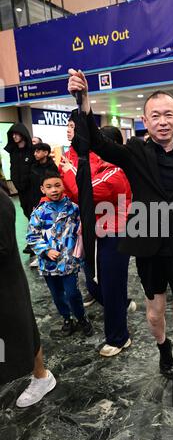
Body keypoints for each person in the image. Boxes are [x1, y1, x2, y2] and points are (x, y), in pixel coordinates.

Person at [68, 69, 173, 412]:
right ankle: (163, 348)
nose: (162, 121)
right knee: (154, 316)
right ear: (145, 120)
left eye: (168, 115)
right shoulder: (134, 150)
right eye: (155, 116)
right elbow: (97, 142)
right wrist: (85, 101)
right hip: (147, 240)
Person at [60, 123, 134, 357]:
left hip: (115, 234)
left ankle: (119, 337)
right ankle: (121, 305)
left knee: (110, 285)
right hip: (95, 232)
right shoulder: (99, 166)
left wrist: (66, 169)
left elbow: (84, 193)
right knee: (94, 283)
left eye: (99, 140)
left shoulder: (116, 171)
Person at [0, 187, 56, 407]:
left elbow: (2, 247)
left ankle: (42, 377)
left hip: (6, 282)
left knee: (24, 329)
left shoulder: (1, 202)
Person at [26, 172, 94, 337]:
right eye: (49, 187)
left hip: (69, 261)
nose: (54, 190)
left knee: (72, 293)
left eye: (57, 185)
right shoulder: (39, 212)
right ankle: (66, 319)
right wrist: (46, 250)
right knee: (56, 294)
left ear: (63, 186)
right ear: (42, 189)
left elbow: (82, 230)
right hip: (48, 264)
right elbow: (31, 236)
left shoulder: (73, 208)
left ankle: (81, 318)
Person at [4, 123, 34, 254]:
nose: (14, 136)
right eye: (12, 135)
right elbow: (13, 170)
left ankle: (33, 243)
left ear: (23, 134)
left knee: (34, 215)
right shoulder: (14, 153)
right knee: (28, 214)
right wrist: (16, 185)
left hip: (32, 190)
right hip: (21, 191)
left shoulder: (32, 151)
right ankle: (33, 241)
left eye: (16, 134)